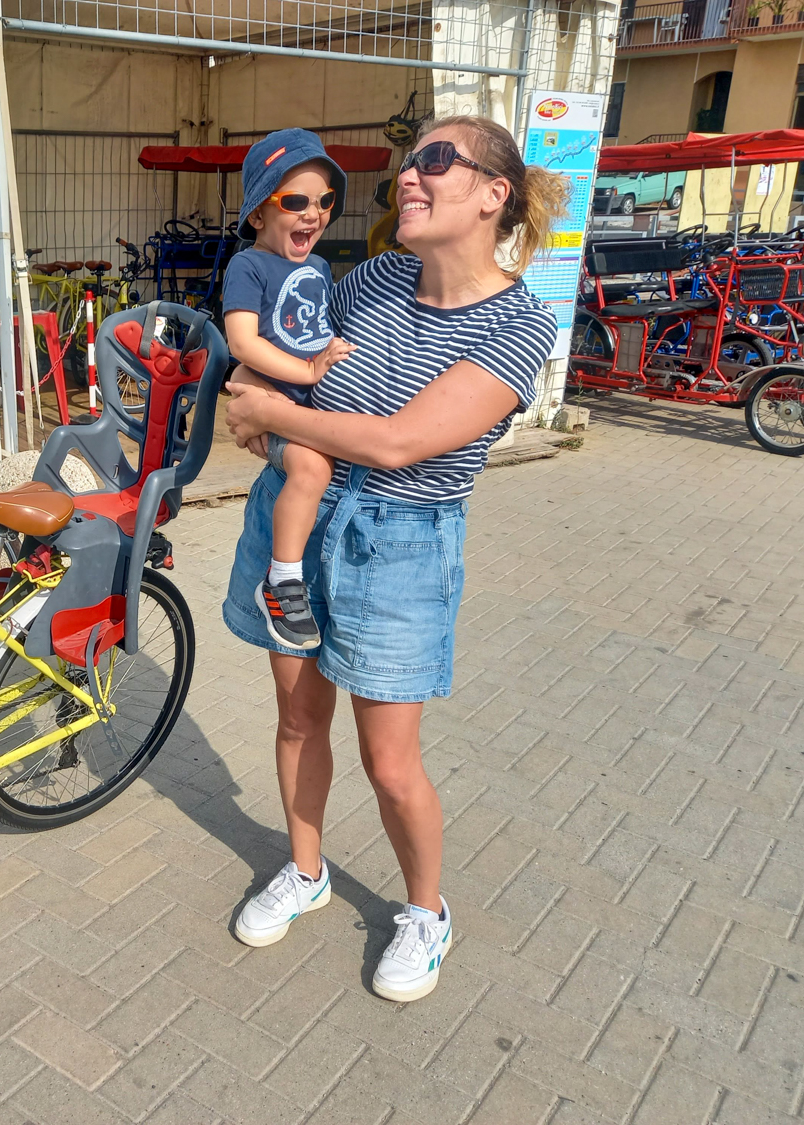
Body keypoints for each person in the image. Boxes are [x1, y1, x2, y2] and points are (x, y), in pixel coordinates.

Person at [221, 116, 567, 1003]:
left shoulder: (521, 326)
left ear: (496, 194)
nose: (409, 176)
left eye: (436, 160)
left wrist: (268, 415)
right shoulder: (372, 279)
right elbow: (282, 353)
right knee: (298, 719)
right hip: (298, 513)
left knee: (390, 761)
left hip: (398, 544)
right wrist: (240, 382)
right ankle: (307, 869)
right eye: (408, 163)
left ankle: (425, 909)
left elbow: (399, 443)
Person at [221, 129, 356, 650]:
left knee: (322, 463)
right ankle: (281, 582)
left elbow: (321, 329)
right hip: (282, 400)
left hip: (310, 402)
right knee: (311, 466)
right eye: (295, 201)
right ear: (259, 214)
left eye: (324, 202)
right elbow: (242, 342)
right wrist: (307, 373)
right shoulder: (248, 265)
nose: (313, 214)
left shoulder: (319, 267)